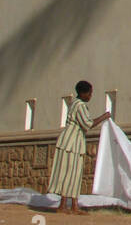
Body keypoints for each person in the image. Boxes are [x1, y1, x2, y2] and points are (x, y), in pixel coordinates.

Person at [48, 80, 112, 214]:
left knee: (72, 173)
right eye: (90, 93)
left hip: (71, 141)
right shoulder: (80, 106)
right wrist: (104, 117)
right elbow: (87, 124)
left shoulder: (74, 104)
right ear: (83, 93)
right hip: (72, 143)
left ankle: (71, 205)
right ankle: (66, 205)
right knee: (71, 172)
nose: (90, 96)